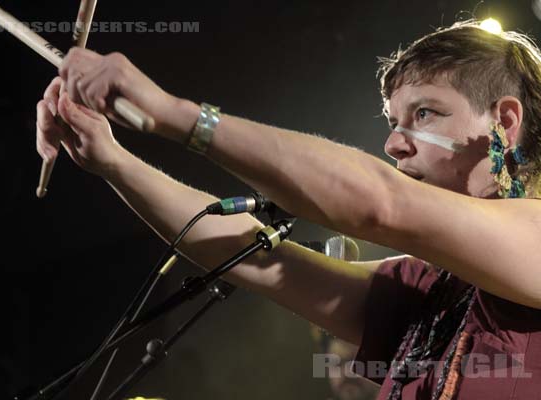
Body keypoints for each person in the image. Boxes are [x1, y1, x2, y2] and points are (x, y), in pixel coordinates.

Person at [35, 20, 541, 399]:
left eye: (423, 113)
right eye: (393, 120)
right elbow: (258, 260)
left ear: (504, 122)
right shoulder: (430, 291)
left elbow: (382, 203)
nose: (392, 143)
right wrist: (113, 161)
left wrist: (172, 113)